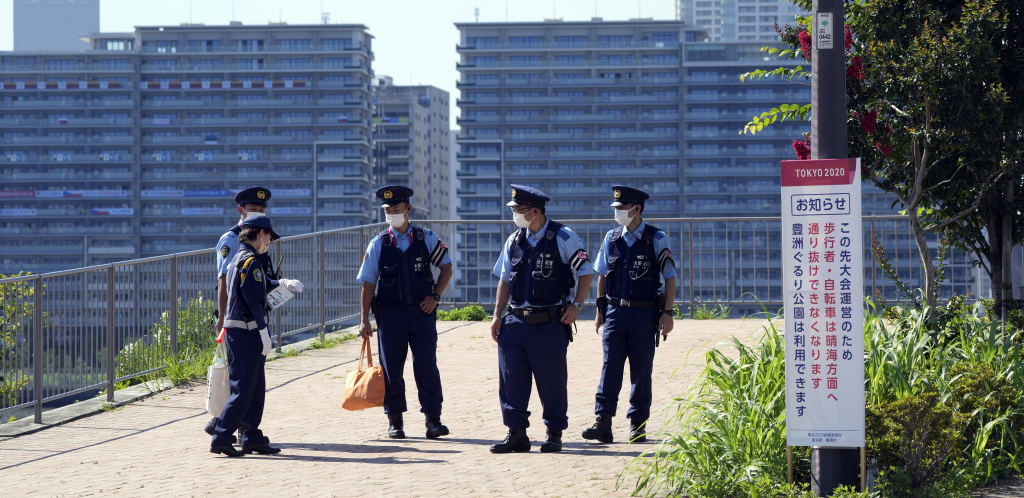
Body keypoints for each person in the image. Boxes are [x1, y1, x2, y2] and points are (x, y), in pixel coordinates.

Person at [488, 184, 594, 453]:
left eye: (520, 210)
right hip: (514, 322)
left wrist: (577, 305)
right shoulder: (514, 240)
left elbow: (586, 271)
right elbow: (504, 280)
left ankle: (554, 433)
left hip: (548, 323)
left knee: (552, 382)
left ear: (535, 211)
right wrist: (496, 315)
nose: (516, 215)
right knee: (512, 381)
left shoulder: (563, 237)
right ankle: (517, 434)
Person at [357, 186, 454, 439]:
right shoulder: (379, 243)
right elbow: (368, 283)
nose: (392, 214)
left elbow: (446, 268)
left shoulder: (426, 238)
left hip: (421, 314)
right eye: (388, 211)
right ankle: (395, 421)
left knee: (426, 367)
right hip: (390, 316)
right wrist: (364, 319)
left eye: (396, 210)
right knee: (391, 369)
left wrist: (435, 297)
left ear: (408, 210)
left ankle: (433, 420)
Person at [583, 186, 675, 444]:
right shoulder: (611, 238)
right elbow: (602, 274)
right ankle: (603, 422)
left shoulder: (657, 239)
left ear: (637, 209)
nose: (619, 212)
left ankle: (638, 424)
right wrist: (600, 310)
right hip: (615, 312)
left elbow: (669, 278)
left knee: (641, 370)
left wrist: (667, 313)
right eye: (617, 208)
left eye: (623, 208)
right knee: (609, 366)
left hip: (644, 315)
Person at [210, 214, 304, 457]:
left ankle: (252, 435)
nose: (269, 241)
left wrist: (282, 282)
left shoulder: (239, 259)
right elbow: (254, 301)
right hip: (247, 331)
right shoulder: (250, 261)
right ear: (260, 233)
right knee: (243, 388)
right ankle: (221, 435)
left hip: (241, 331)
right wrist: (264, 332)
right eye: (269, 236)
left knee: (254, 387)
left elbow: (259, 286)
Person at [205, 186, 272, 436]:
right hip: (237, 318)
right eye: (252, 210)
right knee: (241, 377)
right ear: (241, 210)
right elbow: (224, 282)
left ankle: (238, 427)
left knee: (251, 377)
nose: (256, 214)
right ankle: (228, 427)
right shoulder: (231, 239)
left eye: (261, 210)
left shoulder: (260, 237)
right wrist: (221, 319)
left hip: (255, 316)